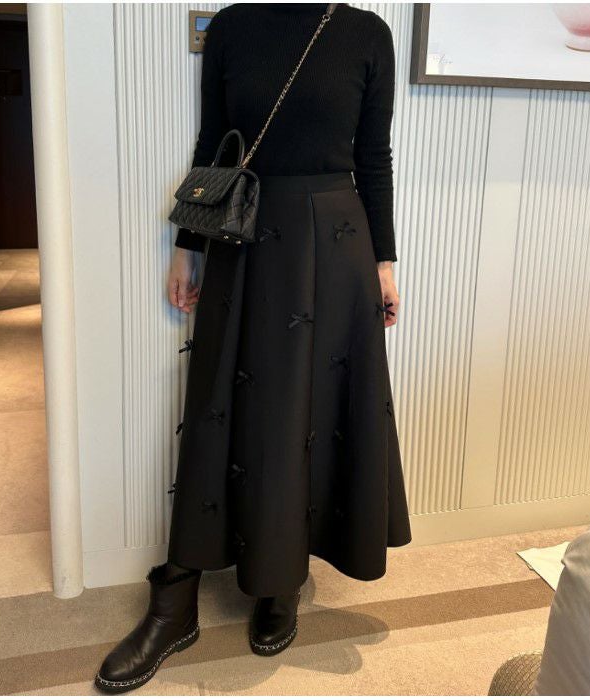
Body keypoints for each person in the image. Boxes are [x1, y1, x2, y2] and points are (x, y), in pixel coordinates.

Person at [95, 3, 411, 693]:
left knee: (304, 410)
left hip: (332, 245)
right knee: (220, 404)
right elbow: (216, 142)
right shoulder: (234, 26)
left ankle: (281, 580)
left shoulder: (366, 33)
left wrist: (384, 262)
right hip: (243, 240)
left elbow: (373, 155)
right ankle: (177, 597)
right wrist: (188, 246)